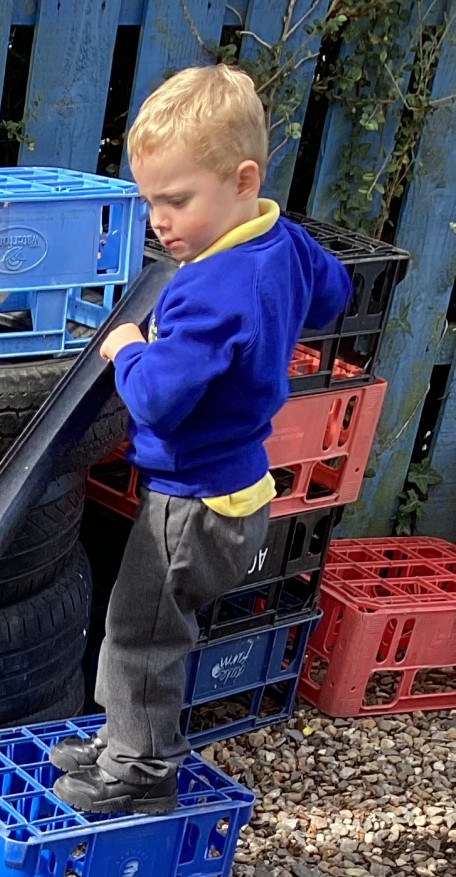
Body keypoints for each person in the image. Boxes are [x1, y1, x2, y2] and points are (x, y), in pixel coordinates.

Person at [48, 64, 351, 815]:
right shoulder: (281, 240)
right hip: (239, 485)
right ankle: (123, 737)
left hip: (189, 504)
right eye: (151, 201)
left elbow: (157, 399)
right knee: (148, 629)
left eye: (177, 200)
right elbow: (334, 294)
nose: (160, 221)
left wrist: (129, 347)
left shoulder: (209, 289)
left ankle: (140, 770)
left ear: (243, 180)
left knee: (142, 636)